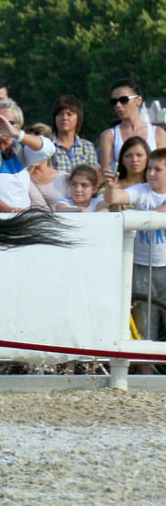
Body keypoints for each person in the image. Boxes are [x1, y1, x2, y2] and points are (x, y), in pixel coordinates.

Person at [102, 148, 166, 372]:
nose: (151, 173)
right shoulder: (142, 190)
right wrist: (110, 187)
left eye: (158, 169)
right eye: (150, 168)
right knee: (145, 328)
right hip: (140, 267)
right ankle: (144, 377)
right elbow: (115, 198)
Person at [0, 98, 56, 212]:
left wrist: (17, 135)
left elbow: (48, 149)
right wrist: (9, 210)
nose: (1, 125)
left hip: (21, 219)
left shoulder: (19, 148)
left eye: (9, 123)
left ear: (18, 126)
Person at [99, 78, 166, 179]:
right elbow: (108, 175)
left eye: (123, 100)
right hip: (122, 190)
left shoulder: (158, 133)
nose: (118, 105)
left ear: (138, 100)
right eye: (114, 101)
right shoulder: (109, 136)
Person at [98, 136, 150, 212]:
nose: (134, 160)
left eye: (139, 155)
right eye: (128, 156)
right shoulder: (111, 187)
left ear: (148, 158)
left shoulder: (155, 187)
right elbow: (101, 206)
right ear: (122, 161)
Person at [49, 95, 98, 173]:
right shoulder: (47, 145)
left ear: (78, 118)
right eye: (60, 114)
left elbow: (93, 177)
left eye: (69, 114)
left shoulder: (87, 147)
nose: (64, 118)